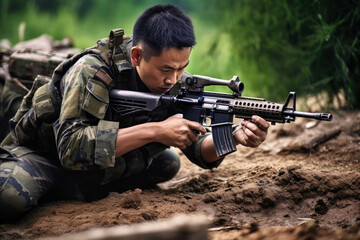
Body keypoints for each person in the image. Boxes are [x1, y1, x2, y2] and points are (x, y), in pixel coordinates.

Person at [0, 4, 269, 222]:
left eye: (181, 67)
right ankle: (63, 186)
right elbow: (71, 147)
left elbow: (199, 149)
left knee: (168, 164)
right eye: (165, 69)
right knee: (9, 197)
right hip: (47, 156)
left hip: (96, 167)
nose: (173, 79)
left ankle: (74, 188)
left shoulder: (175, 81)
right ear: (137, 56)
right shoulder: (92, 71)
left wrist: (232, 138)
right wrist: (156, 130)